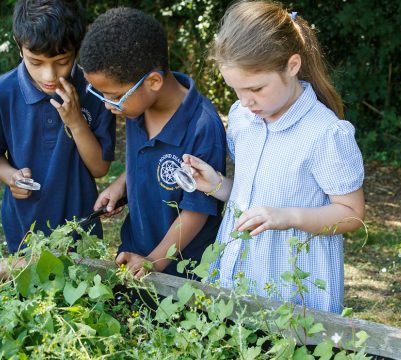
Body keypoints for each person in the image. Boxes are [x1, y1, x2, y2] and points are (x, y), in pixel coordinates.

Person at [182, 1, 365, 313]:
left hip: (291, 287)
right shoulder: (243, 118)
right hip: (236, 278)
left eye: (256, 88)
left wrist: (288, 217)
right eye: (236, 90)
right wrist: (217, 186)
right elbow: (254, 196)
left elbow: (351, 214)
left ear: (292, 66)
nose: (245, 101)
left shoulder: (325, 133)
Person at [79, 7, 226, 278]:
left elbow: (196, 211)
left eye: (114, 96)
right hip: (135, 252)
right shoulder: (135, 110)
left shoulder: (201, 126)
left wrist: (153, 262)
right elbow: (146, 158)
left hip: (182, 274)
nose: (109, 106)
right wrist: (120, 184)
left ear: (153, 81)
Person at [0, 0, 116, 254]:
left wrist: (76, 121)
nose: (49, 76)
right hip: (24, 229)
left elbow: (99, 167)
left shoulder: (95, 90)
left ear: (77, 48)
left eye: (62, 61)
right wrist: (10, 176)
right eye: (36, 62)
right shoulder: (4, 92)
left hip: (81, 229)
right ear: (20, 46)